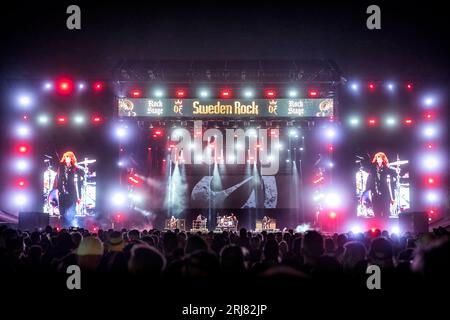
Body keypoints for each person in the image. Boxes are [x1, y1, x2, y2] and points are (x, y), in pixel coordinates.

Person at [54, 151, 85, 227]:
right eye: (65, 157)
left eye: (68, 157)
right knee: (62, 211)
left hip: (72, 193)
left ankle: (70, 226)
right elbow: (58, 179)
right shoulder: (61, 167)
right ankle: (63, 226)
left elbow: (80, 181)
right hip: (62, 192)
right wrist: (56, 189)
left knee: (71, 211)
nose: (67, 158)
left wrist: (79, 197)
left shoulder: (76, 168)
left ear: (71, 158)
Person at [365, 152, 397, 218]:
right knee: (377, 213)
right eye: (377, 158)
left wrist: (392, 197)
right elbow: (369, 179)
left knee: (386, 213)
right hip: (375, 193)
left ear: (383, 159)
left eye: (380, 157)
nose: (378, 159)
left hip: (385, 194)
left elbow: (394, 176)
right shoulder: (373, 169)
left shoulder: (387, 168)